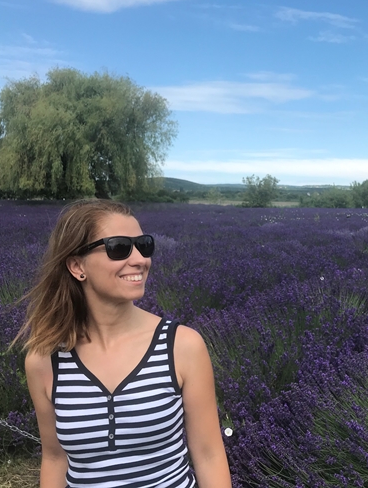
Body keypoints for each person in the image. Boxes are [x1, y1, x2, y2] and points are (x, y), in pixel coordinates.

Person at [13, 199, 232, 488]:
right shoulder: (45, 361)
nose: (140, 259)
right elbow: (55, 458)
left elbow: (209, 455)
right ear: (77, 266)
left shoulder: (182, 346)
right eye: (119, 247)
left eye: (144, 245)